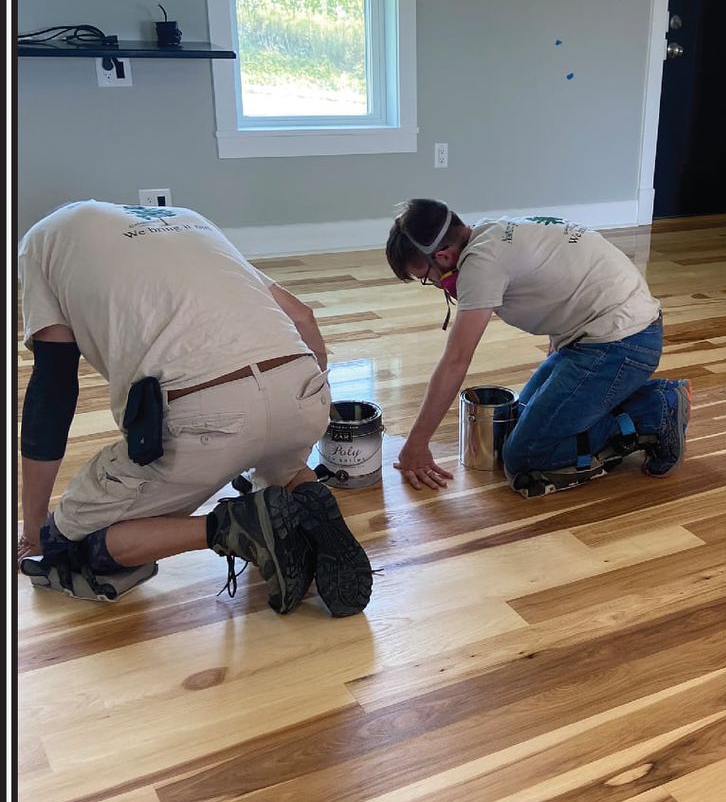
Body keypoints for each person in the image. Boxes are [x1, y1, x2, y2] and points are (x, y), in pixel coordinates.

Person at [14, 200, 372, 616]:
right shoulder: (187, 221)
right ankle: (307, 494)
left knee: (68, 549)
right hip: (299, 382)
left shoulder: (42, 241)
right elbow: (303, 317)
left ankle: (233, 526)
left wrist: (36, 529)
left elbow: (52, 393)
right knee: (282, 460)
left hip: (204, 415)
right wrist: (310, 403)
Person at [385, 200, 689, 498]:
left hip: (622, 344)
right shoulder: (490, 230)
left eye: (426, 277)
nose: (435, 284)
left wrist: (417, 444)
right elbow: (561, 282)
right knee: (518, 422)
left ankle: (655, 409)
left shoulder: (481, 264)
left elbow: (455, 361)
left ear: (444, 256)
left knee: (525, 457)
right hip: (601, 336)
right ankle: (617, 402)